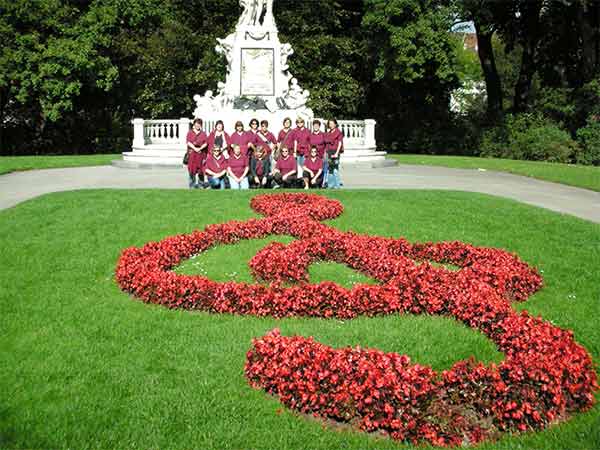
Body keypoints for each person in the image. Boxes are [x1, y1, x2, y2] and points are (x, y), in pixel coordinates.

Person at [186, 118, 208, 188]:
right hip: (192, 154)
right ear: (194, 124)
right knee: (192, 171)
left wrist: (200, 148)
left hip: (201, 154)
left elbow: (206, 143)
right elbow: (188, 142)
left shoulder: (203, 133)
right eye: (196, 123)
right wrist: (195, 148)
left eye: (199, 124)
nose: (198, 125)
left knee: (201, 171)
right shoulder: (190, 132)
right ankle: (192, 185)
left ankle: (201, 185)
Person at [325, 118, 344, 189]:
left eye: (332, 124)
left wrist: (336, 153)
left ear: (335, 124)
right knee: (330, 169)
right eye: (330, 124)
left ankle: (337, 185)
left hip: (335, 151)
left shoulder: (338, 132)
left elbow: (340, 143)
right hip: (329, 152)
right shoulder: (329, 132)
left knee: (335, 168)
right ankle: (330, 185)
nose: (331, 125)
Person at [309, 119, 326, 186]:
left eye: (317, 125)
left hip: (321, 155)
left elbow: (325, 145)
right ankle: (314, 182)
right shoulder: (311, 135)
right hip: (313, 155)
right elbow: (309, 145)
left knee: (322, 170)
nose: (316, 127)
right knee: (313, 169)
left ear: (319, 126)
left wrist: (325, 153)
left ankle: (322, 183)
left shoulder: (322, 134)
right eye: (314, 125)